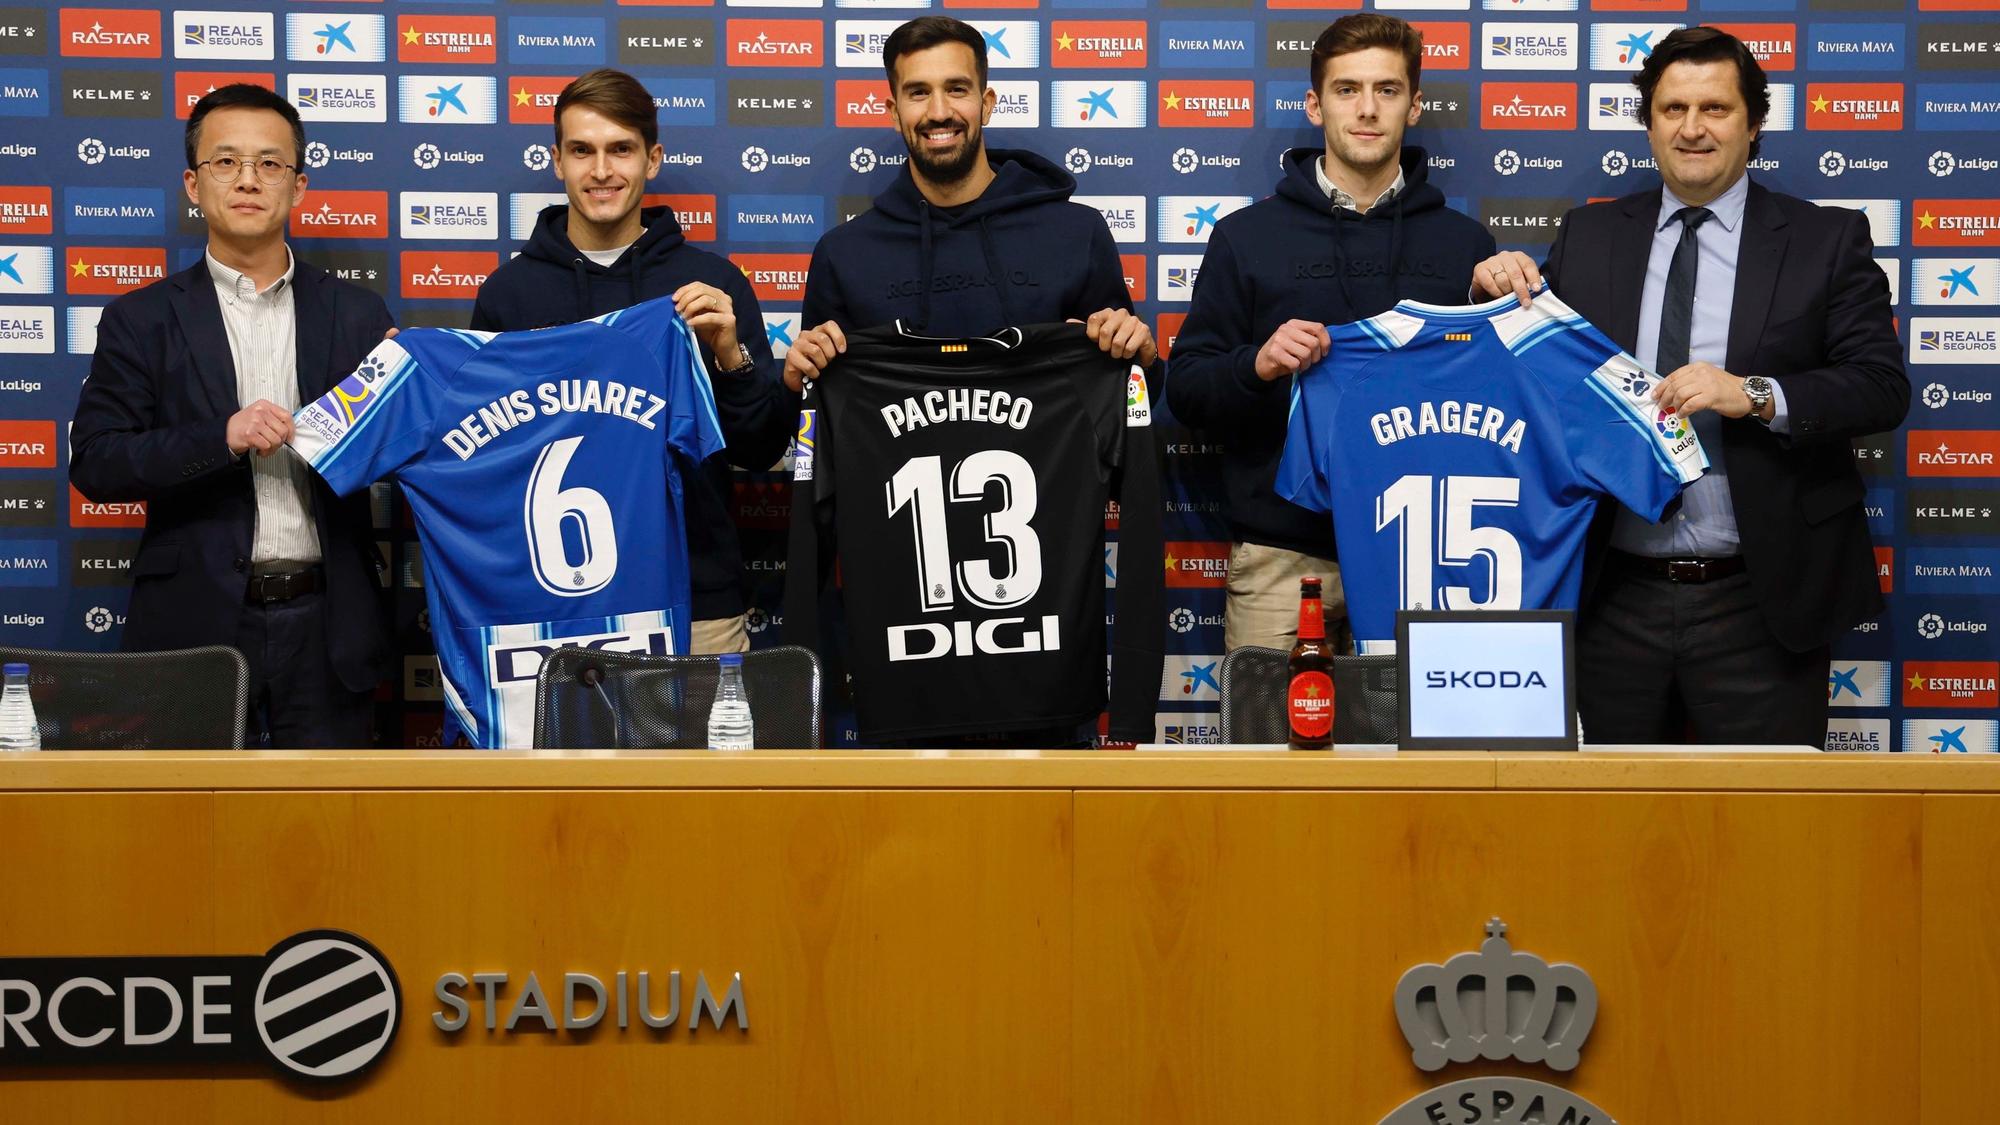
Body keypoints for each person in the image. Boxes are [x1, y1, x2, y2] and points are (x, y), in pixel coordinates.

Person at [1471, 26, 1907, 746]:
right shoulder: (1591, 235)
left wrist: (1755, 394)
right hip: (1611, 596)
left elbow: (1881, 387)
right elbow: (1530, 376)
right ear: (1649, 124)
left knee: (1761, 836)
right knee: (1606, 834)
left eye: (1715, 108)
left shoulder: (1826, 240)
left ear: (1754, 122)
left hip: (1760, 603)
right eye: (1672, 109)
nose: (1693, 128)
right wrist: (1491, 289)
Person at [70, 84, 394, 748]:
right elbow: (98, 461)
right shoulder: (140, 320)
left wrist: (404, 404)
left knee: (329, 835)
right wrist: (222, 437)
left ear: (298, 187)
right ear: (194, 183)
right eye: (226, 162)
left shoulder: (359, 316)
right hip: (195, 628)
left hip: (329, 624)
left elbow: (404, 463)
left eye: (270, 163)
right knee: (189, 836)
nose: (248, 179)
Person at [1165, 14, 1495, 655]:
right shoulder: (1247, 236)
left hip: (1425, 556)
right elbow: (1187, 388)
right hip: (1283, 559)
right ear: (1316, 105)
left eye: (1387, 90)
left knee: (1417, 755)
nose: (1367, 110)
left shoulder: (1466, 246)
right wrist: (1256, 366)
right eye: (1347, 90)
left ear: (1414, 104)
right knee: (1268, 751)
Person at [471, 68, 793, 655]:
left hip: (697, 600)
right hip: (553, 602)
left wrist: (731, 359)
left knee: (704, 750)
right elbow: (485, 460)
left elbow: (761, 449)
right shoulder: (509, 294)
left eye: (621, 149)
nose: (600, 171)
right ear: (557, 161)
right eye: (581, 151)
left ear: (653, 159)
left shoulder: (713, 284)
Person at [783, 15, 1155, 388]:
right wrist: (797, 378)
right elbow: (816, 417)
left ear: (987, 103)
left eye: (957, 89)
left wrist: (1141, 360)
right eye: (918, 92)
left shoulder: (1077, 232)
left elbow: (1128, 401)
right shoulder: (843, 253)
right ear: (895, 113)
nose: (940, 112)